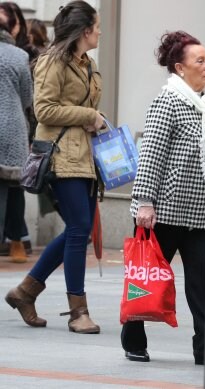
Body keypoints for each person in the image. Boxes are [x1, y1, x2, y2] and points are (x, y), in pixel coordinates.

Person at [122, 30, 205, 364]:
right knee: (147, 277)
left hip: (199, 211)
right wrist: (144, 203)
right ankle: (133, 336)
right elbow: (151, 154)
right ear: (181, 68)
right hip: (164, 210)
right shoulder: (168, 100)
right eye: (201, 61)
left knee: (202, 284)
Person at [4, 0, 103, 333]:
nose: (101, 31)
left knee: (80, 229)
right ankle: (78, 312)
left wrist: (97, 122)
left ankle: (26, 291)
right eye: (97, 26)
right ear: (84, 30)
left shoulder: (86, 63)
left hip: (86, 159)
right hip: (61, 157)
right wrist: (89, 116)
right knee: (78, 229)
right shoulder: (51, 62)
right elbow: (44, 110)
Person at [0, 1, 34, 262]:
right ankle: (17, 244)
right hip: (12, 130)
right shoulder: (20, 56)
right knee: (14, 187)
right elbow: (27, 97)